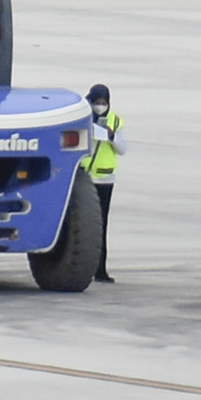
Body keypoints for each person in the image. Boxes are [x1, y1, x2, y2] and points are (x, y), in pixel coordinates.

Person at [83, 83, 123, 284]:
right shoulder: (82, 119)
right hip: (85, 179)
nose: (101, 106)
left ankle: (100, 269)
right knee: (83, 226)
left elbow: (122, 149)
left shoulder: (114, 120)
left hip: (105, 179)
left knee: (101, 226)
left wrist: (111, 135)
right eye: (97, 102)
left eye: (104, 102)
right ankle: (83, 266)